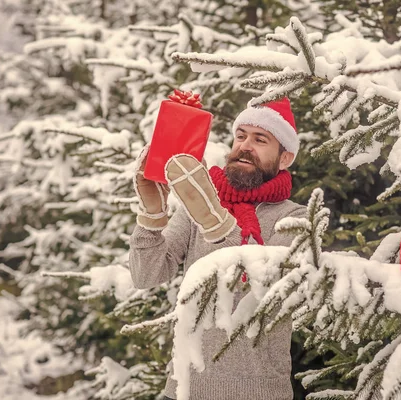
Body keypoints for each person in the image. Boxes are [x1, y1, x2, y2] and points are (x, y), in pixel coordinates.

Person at [128, 97, 307, 400]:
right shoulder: (196, 208)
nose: (245, 146)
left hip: (259, 393)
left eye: (260, 139)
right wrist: (151, 218)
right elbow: (146, 275)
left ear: (285, 158)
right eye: (241, 136)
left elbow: (268, 285)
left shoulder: (296, 217)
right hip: (184, 390)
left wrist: (216, 222)